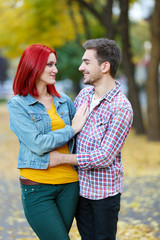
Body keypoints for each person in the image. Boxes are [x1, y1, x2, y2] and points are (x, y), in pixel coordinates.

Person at [49, 38, 133, 240]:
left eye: (86, 62)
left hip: (104, 195)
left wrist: (61, 159)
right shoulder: (84, 95)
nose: (80, 67)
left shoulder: (121, 107)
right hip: (79, 189)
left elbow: (104, 156)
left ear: (105, 66)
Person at [8, 43, 88, 240]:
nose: (56, 70)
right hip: (36, 186)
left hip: (69, 185)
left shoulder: (64, 101)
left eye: (55, 64)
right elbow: (37, 144)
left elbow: (81, 138)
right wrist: (71, 129)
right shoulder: (18, 104)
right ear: (34, 65)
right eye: (50, 65)